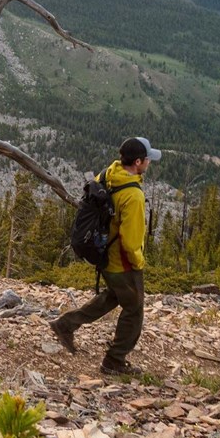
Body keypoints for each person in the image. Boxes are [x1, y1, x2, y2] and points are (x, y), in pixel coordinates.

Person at [48, 136, 160, 376]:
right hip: (123, 263)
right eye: (148, 159)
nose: (150, 162)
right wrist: (139, 263)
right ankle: (115, 360)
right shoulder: (133, 195)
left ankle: (66, 324)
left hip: (104, 255)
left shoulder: (108, 174)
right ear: (138, 162)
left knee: (113, 297)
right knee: (134, 309)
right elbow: (130, 242)